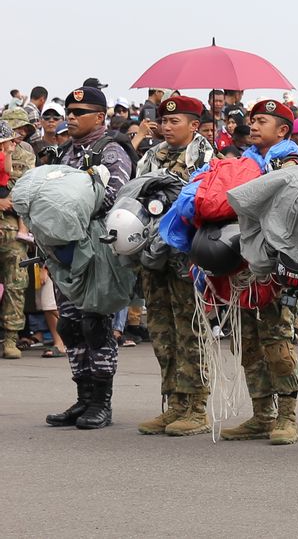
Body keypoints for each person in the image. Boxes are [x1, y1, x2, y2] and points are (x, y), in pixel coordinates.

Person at [217, 100, 298, 446]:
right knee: (248, 342)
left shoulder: (292, 163)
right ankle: (261, 414)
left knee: (277, 340)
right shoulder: (244, 161)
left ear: (283, 130)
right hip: (243, 262)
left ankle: (287, 416)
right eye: (252, 121)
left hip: (277, 265)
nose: (253, 126)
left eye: (262, 121)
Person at [44, 83, 132, 430]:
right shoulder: (64, 152)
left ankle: (101, 402)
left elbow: (114, 196)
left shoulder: (111, 150)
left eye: (79, 113)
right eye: (69, 112)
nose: (71, 117)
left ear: (100, 116)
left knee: (95, 325)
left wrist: (67, 208)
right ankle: (82, 398)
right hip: (65, 253)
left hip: (96, 252)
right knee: (69, 324)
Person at [132, 96, 215, 436]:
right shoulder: (152, 156)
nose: (166, 127)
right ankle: (173, 403)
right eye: (164, 121)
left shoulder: (206, 158)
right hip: (154, 254)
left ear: (194, 125)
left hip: (187, 255)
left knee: (190, 329)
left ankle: (197, 406)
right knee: (162, 329)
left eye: (174, 121)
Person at [0, 122, 28, 360]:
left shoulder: (25, 156)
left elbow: (28, 191)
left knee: (16, 284)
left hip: (12, 230)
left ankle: (11, 338)